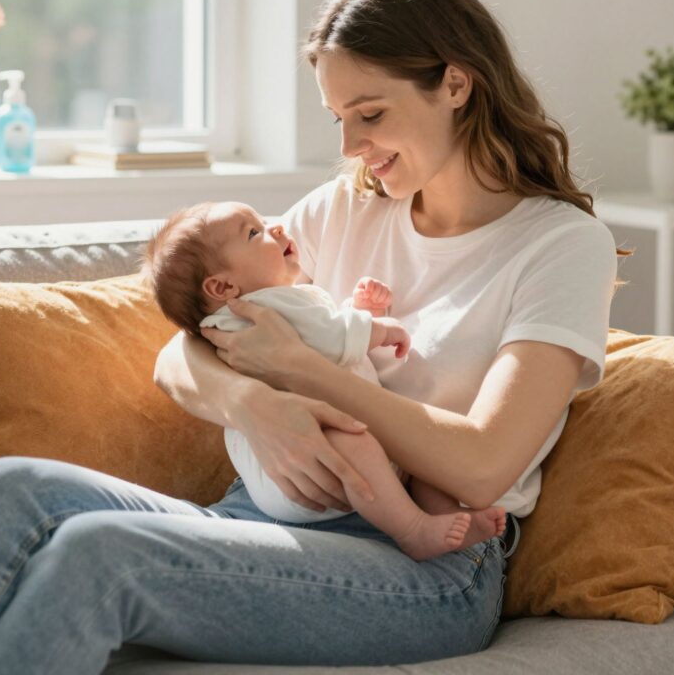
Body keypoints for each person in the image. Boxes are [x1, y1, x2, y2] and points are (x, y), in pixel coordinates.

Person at [0, 0, 618, 674]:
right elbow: (181, 354)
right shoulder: (344, 210)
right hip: (260, 516)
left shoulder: (559, 244)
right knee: (12, 486)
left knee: (99, 552)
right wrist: (254, 404)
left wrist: (305, 370)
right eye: (338, 118)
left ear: (456, 83)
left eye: (370, 113)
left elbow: (484, 463)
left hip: (427, 565)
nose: (351, 146)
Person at [142, 200, 507, 561]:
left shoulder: (246, 314)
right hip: (305, 474)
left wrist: (357, 311)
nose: (277, 227)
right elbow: (331, 339)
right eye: (254, 233)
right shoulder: (267, 306)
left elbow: (321, 337)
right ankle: (413, 529)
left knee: (417, 454)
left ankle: (444, 521)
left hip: (284, 479)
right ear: (222, 287)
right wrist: (378, 329)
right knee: (368, 449)